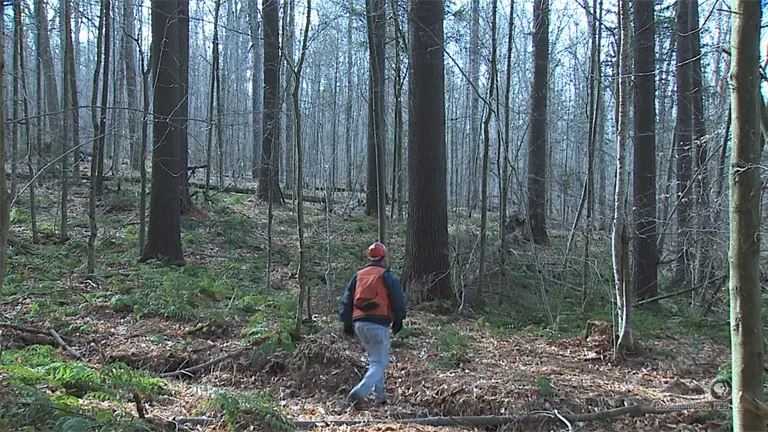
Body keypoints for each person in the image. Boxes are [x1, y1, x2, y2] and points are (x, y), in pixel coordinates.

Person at [339, 241, 406, 407]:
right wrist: (399, 319)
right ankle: (360, 391)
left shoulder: (359, 276)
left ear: (370, 257)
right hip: (379, 323)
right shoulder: (386, 276)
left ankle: (380, 398)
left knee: (375, 361)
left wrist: (346, 322)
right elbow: (398, 300)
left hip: (360, 323)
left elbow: (346, 300)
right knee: (380, 362)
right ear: (383, 258)